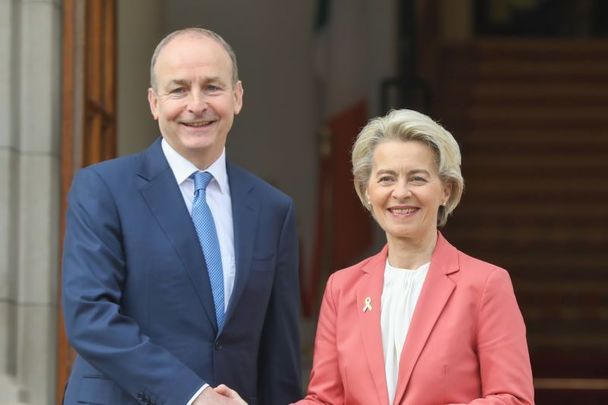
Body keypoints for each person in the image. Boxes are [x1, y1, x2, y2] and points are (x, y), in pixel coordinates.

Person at [62, 27, 301, 405]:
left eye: (212, 87)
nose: (196, 104)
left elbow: (279, 355)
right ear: (154, 103)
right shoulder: (103, 189)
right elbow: (90, 317)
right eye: (179, 89)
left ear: (237, 97)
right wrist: (191, 394)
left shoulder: (274, 209)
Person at [296, 109, 534, 404]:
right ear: (366, 191)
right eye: (386, 179)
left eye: (417, 178)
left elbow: (512, 398)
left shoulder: (486, 284)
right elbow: (324, 400)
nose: (401, 192)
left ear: (446, 190)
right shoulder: (341, 288)